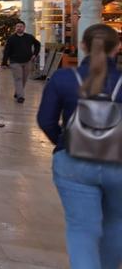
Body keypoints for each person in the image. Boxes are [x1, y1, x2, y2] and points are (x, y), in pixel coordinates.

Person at [37, 23, 122, 268]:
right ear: (117, 47)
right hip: (117, 163)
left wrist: (64, 142)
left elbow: (46, 120)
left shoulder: (65, 77)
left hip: (73, 162)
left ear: (82, 46)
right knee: (116, 223)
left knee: (82, 229)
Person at [2, 21, 41, 103]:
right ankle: (21, 96)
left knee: (24, 79)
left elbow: (38, 44)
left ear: (24, 28)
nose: (19, 28)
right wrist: (4, 62)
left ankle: (18, 92)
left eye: (21, 26)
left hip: (27, 61)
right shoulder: (11, 38)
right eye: (17, 26)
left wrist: (35, 54)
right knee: (18, 78)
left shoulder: (29, 37)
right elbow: (6, 51)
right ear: (15, 28)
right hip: (15, 62)